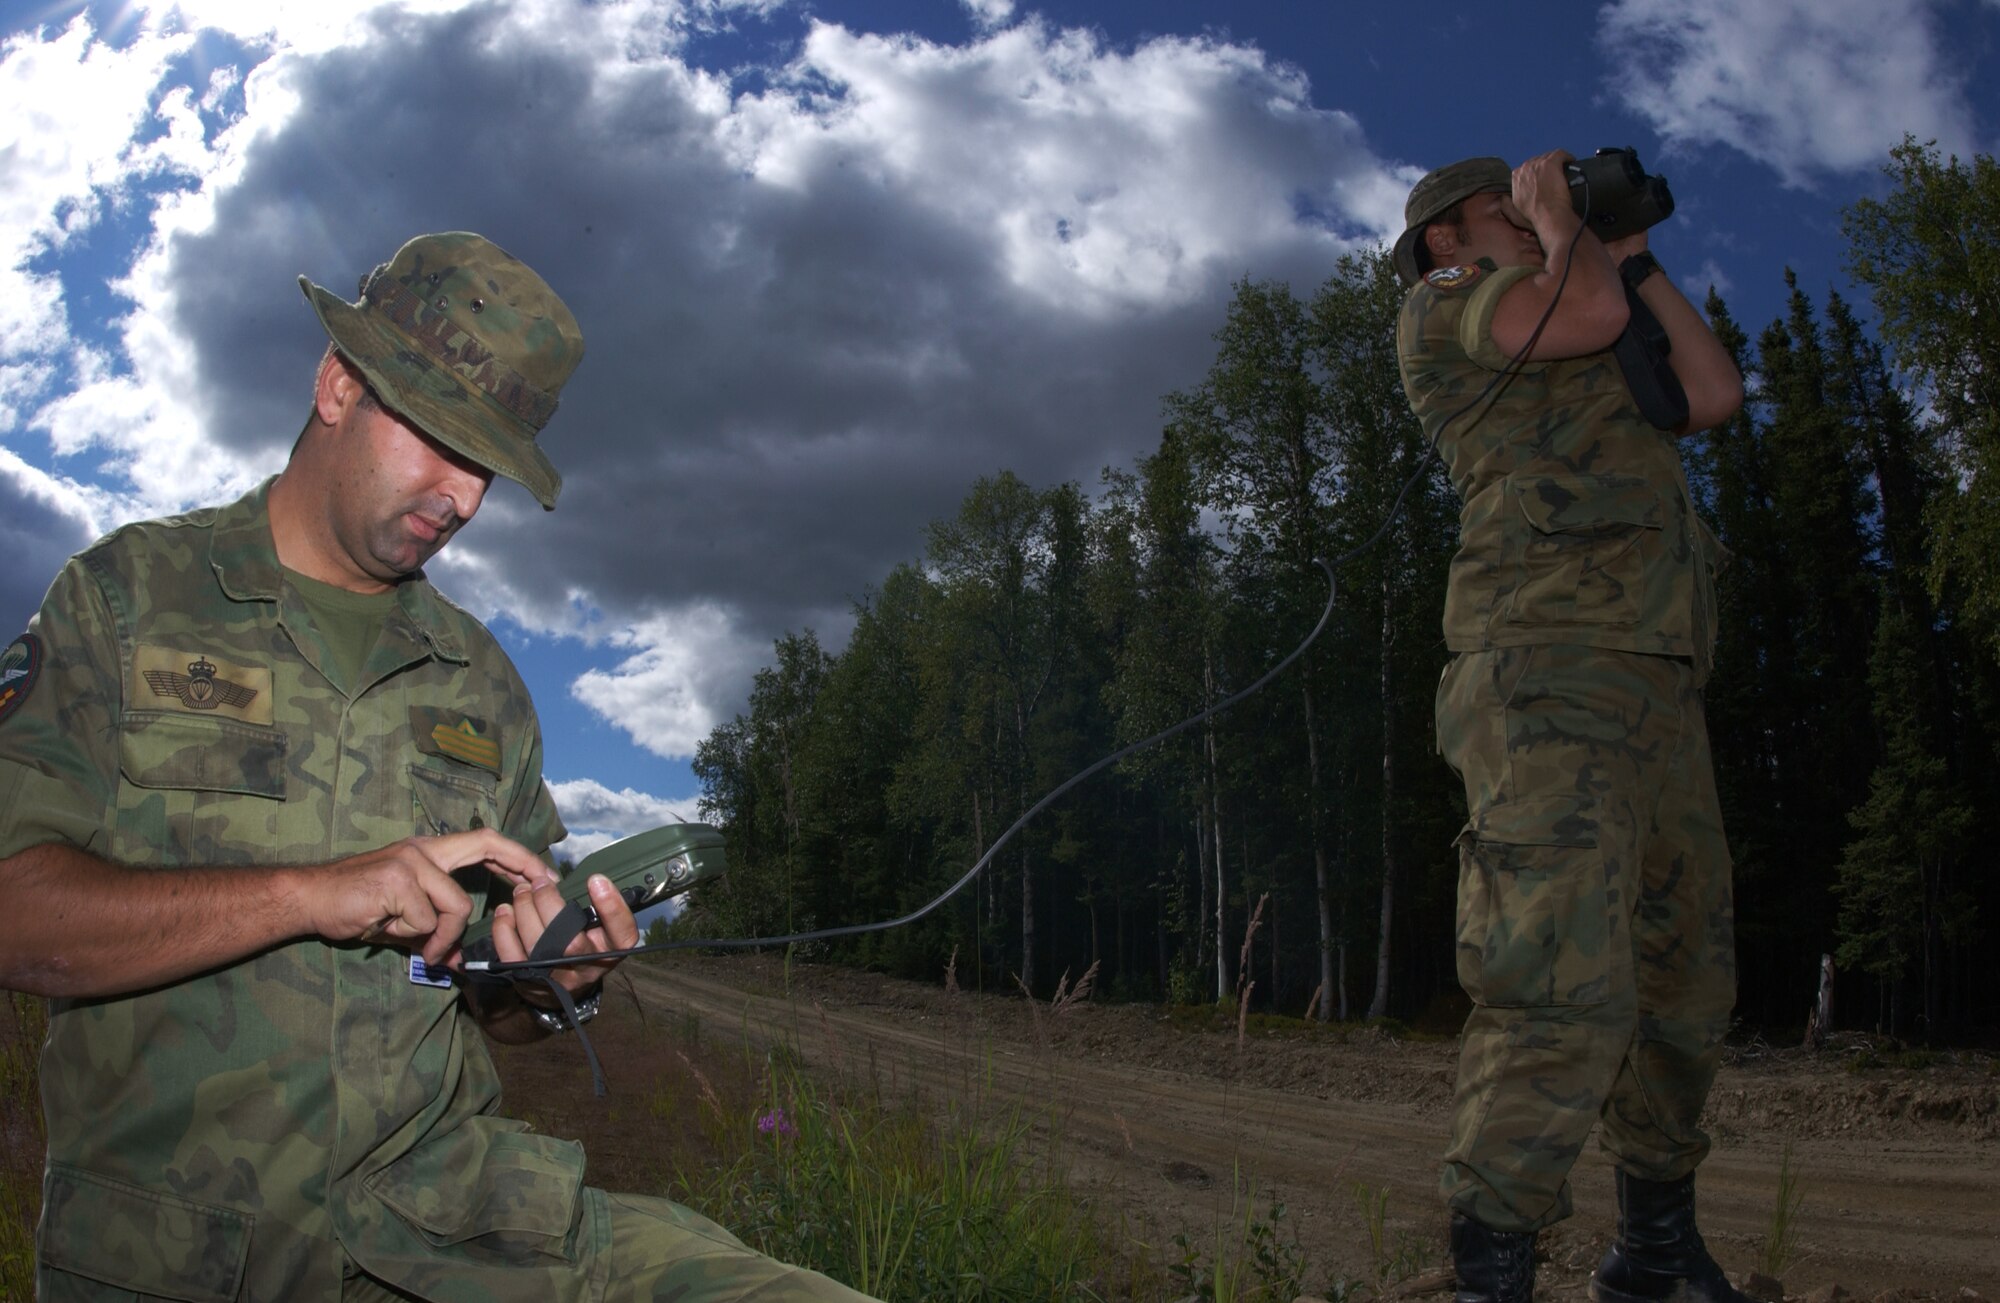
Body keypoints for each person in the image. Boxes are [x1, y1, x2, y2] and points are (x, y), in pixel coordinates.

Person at [0, 232, 876, 1303]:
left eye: (487, 467)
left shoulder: (482, 686)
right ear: (337, 387)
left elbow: (490, 1007)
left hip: (448, 1230)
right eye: (438, 442)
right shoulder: (128, 599)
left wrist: (549, 981)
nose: (460, 497)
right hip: (179, 1254)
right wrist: (308, 894)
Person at [1392, 154, 1749, 1303]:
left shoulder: (1583, 291)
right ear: (1446, 239)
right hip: (1539, 664)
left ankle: (1651, 1251)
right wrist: (1560, 227)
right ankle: (1493, 1274)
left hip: (1652, 676)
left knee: (1681, 979)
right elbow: (1585, 307)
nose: (1535, 211)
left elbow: (1706, 394)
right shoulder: (1446, 307)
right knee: (1555, 979)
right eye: (1500, 203)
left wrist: (1631, 250)